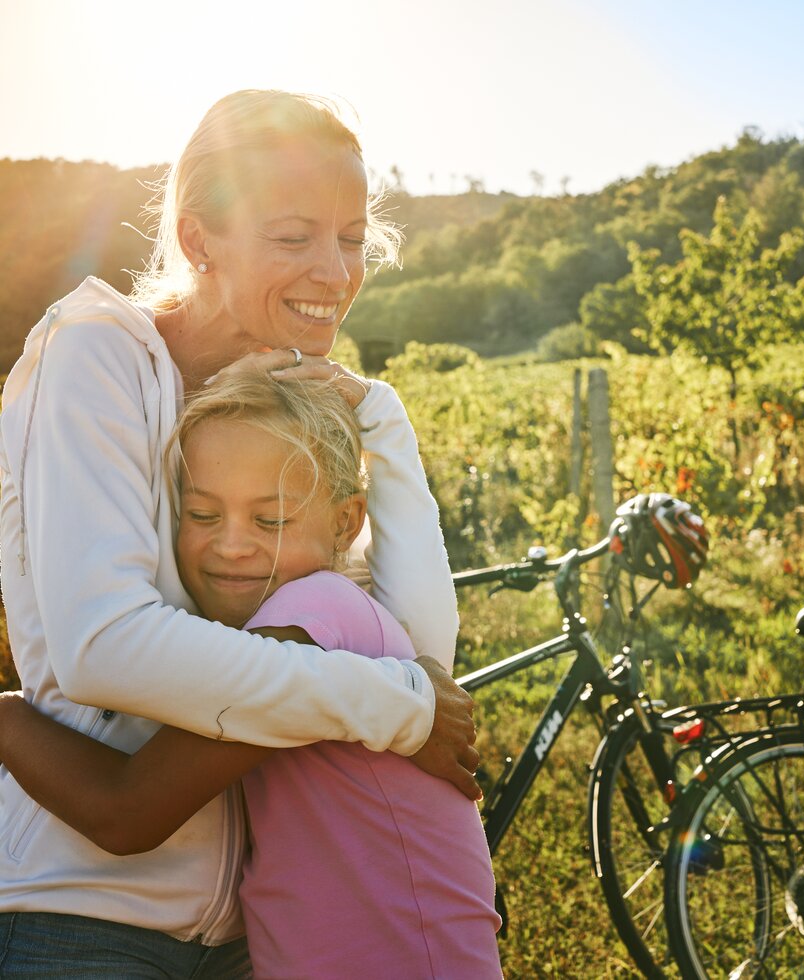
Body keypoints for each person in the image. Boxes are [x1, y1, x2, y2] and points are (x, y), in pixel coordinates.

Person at [0, 90, 478, 975]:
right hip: (78, 918)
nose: (335, 273)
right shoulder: (95, 355)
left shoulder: (291, 405)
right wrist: (395, 706)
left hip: (247, 938)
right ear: (197, 240)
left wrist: (384, 420)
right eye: (294, 237)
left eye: (350, 237)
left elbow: (417, 649)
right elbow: (107, 647)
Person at [0, 374, 503, 978]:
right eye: (203, 513)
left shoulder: (312, 615)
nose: (232, 545)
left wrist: (6, 716)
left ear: (346, 524)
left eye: (272, 521)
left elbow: (126, 813)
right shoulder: (336, 617)